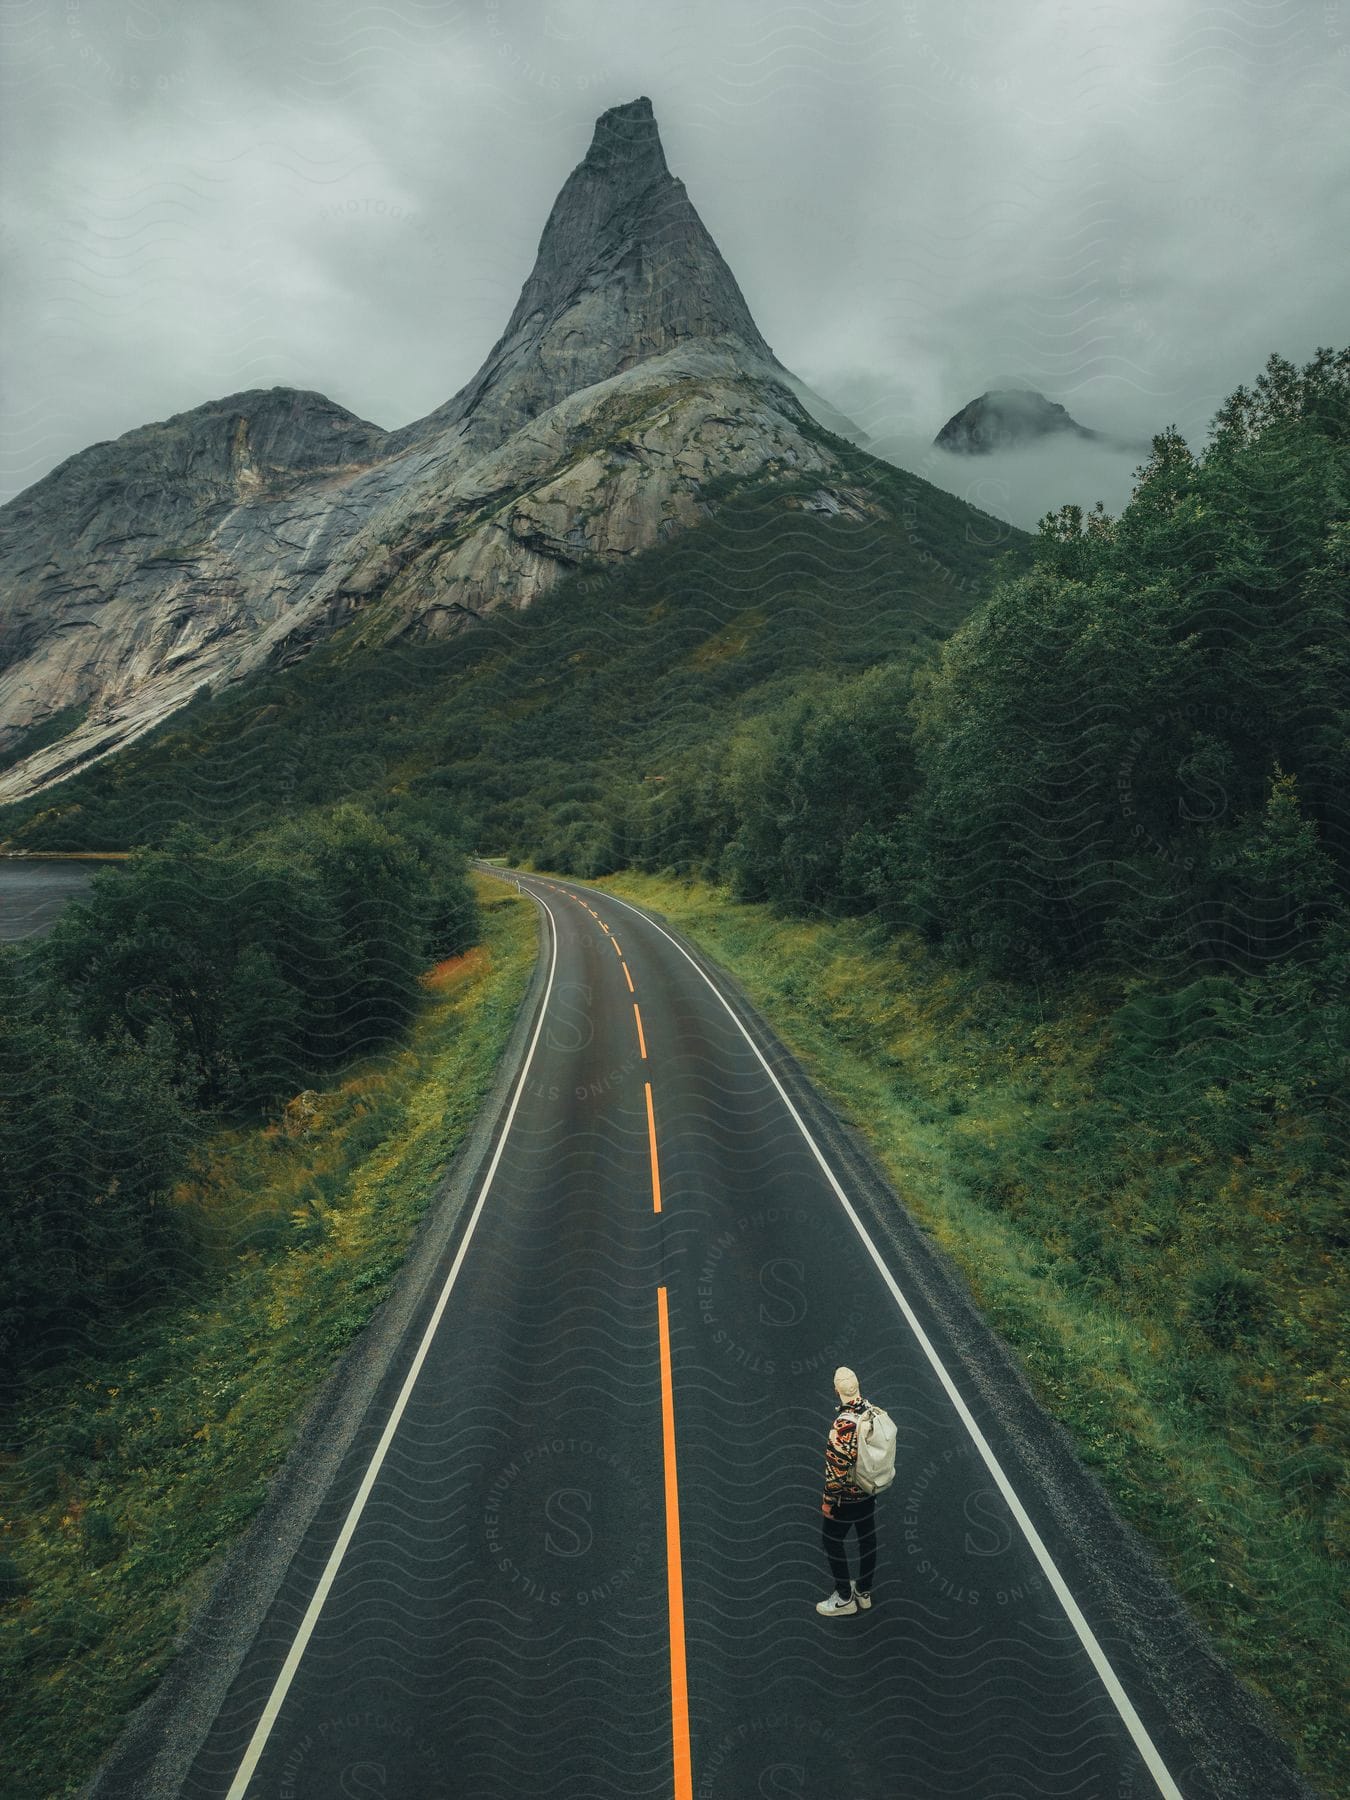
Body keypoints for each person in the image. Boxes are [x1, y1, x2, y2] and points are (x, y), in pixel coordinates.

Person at [816, 1365, 877, 1616]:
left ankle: (844, 1598)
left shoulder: (843, 1426)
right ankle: (864, 1591)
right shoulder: (873, 1413)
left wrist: (828, 1501)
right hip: (870, 1490)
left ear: (836, 1390)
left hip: (848, 1496)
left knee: (831, 1540)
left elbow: (836, 1470)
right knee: (867, 1539)